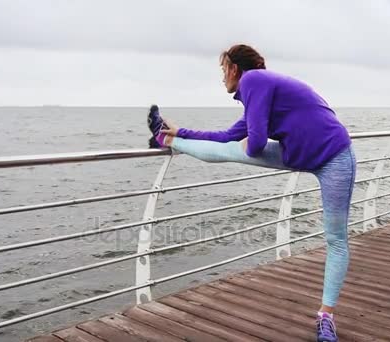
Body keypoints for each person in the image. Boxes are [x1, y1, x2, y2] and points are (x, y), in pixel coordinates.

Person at [149, 44, 355, 342]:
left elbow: (255, 144)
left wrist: (249, 144)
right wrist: (180, 131)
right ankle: (165, 138)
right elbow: (226, 138)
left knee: (336, 238)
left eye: (223, 70)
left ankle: (326, 317)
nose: (222, 78)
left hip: (334, 157)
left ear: (234, 68)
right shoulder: (259, 92)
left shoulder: (254, 80)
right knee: (230, 149)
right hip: (296, 153)